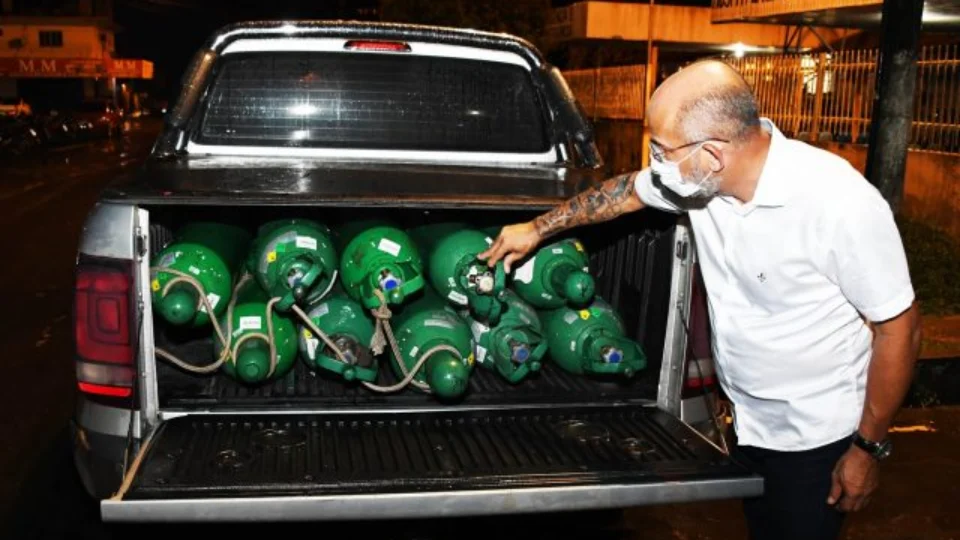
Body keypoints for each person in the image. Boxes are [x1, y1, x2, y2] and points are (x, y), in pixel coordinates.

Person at [478, 59, 922, 540]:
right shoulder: (700, 182)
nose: (656, 163)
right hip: (749, 424)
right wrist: (536, 229)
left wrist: (867, 449)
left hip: (817, 440)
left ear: (712, 154)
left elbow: (900, 328)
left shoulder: (840, 205)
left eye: (662, 150)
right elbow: (625, 192)